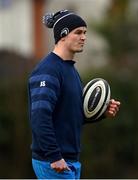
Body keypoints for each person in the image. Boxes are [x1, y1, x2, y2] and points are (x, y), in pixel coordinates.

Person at [28, 9, 121, 179]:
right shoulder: (48, 70)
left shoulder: (70, 70)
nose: (84, 37)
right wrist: (54, 156)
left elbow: (70, 115)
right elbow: (40, 117)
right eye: (78, 32)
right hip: (52, 162)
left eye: (85, 32)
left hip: (70, 161)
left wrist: (102, 112)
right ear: (62, 34)